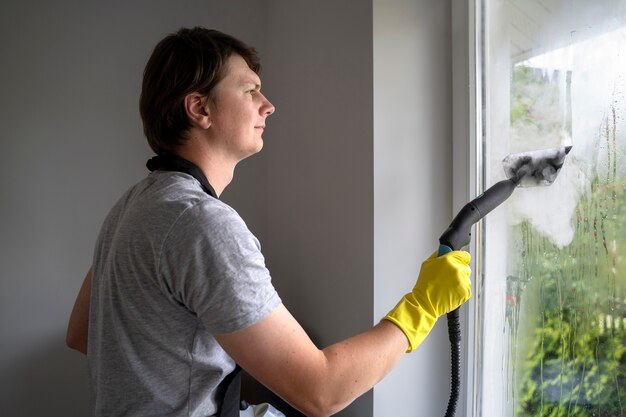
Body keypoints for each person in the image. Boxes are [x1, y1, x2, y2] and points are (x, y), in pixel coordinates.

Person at [66, 26, 472, 417]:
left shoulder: (132, 205)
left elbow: (83, 333)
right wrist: (423, 304)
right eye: (250, 90)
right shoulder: (201, 225)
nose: (268, 104)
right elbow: (322, 391)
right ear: (200, 108)